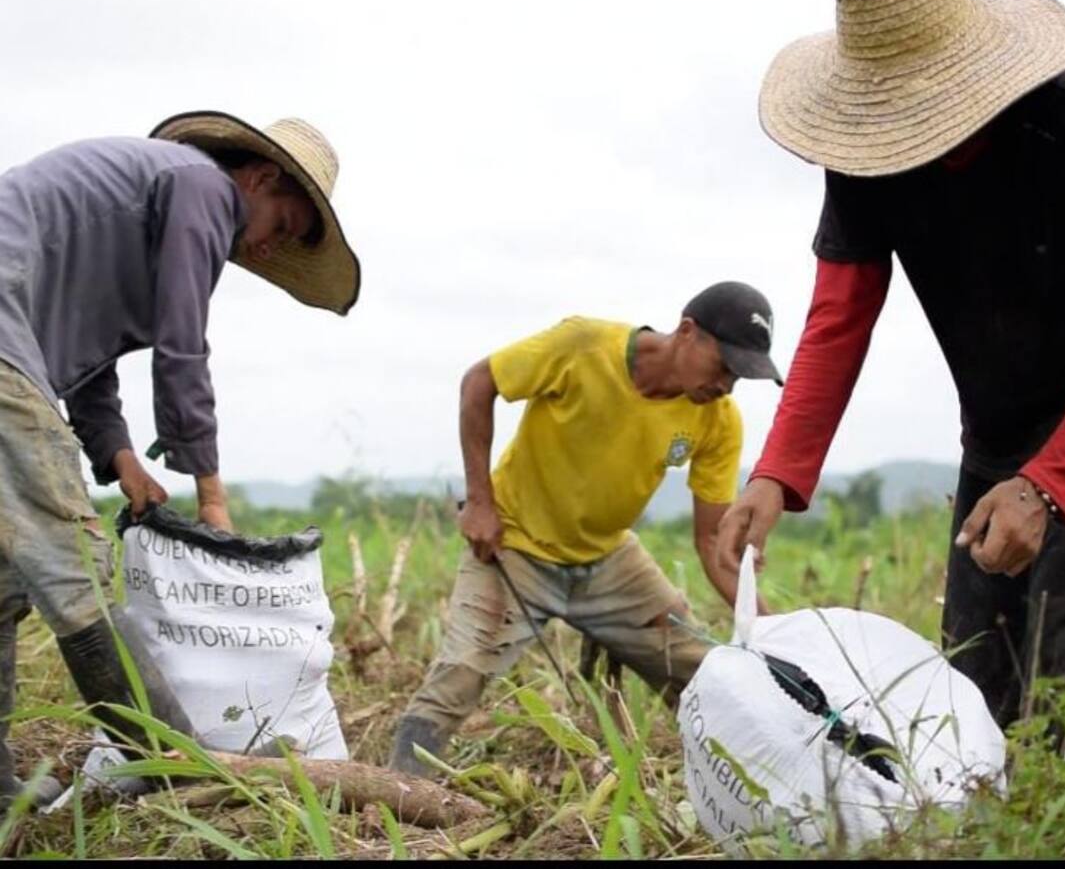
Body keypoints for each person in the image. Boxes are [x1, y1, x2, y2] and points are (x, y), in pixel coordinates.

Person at [717, 0, 1065, 728]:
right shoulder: (866, 151)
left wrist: (1044, 488)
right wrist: (774, 477)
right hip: (999, 416)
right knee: (970, 691)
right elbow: (838, 319)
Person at [0, 110, 360, 800]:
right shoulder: (200, 186)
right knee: (72, 560)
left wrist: (120, 456)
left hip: (15, 346)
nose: (264, 250)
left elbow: (82, 357)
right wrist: (212, 495)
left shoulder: (152, 204)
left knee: (3, 582)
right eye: (282, 227)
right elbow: (182, 344)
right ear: (260, 177)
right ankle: (174, 770)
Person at [389, 282, 783, 776]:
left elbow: (710, 540)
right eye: (724, 366)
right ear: (686, 333)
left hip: (611, 565)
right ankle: (401, 789)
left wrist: (775, 633)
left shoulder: (719, 420)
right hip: (514, 546)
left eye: (739, 377)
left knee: (701, 669)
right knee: (460, 673)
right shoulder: (582, 346)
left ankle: (750, 779)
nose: (726, 385)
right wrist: (480, 502)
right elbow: (478, 383)